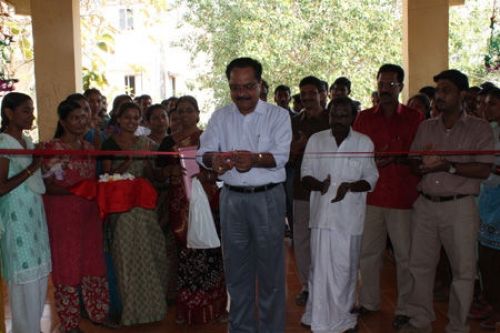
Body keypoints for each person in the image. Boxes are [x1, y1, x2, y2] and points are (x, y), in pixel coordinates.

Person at [198, 57, 291, 332]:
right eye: (235, 87)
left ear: (260, 85)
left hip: (268, 199)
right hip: (232, 200)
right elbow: (204, 153)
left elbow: (282, 156)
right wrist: (213, 160)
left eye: (248, 86)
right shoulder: (220, 116)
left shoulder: (278, 115)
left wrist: (255, 159)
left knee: (271, 275)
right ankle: (241, 329)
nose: (241, 94)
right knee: (237, 273)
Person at [401, 70, 495, 333]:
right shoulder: (426, 126)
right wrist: (420, 165)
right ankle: (420, 321)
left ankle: (457, 326)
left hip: (460, 206)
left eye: (446, 90)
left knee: (463, 271)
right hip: (426, 205)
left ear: (462, 95)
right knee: (419, 266)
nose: (439, 96)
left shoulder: (479, 128)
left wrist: (448, 165)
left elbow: (484, 169)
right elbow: (413, 160)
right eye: (438, 91)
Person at [353, 64, 424, 329]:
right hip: (372, 196)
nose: (384, 89)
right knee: (368, 254)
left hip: (403, 198)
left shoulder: (415, 118)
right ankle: (369, 302)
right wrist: (374, 160)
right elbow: (357, 155)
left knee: (405, 256)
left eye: (390, 85)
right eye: (381, 84)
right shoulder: (364, 118)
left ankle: (405, 307)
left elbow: (420, 155)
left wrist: (397, 157)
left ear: (400, 87)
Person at [300, 96, 379, 333]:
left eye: (344, 116)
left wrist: (351, 186)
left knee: (345, 270)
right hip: (322, 217)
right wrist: (319, 185)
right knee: (319, 269)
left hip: (349, 219)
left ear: (352, 117)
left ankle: (343, 320)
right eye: (335, 115)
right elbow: (305, 175)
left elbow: (371, 178)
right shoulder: (316, 140)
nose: (339, 120)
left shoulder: (364, 143)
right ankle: (316, 317)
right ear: (329, 115)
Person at [158, 95, 227, 324]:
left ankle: (215, 308)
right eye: (181, 111)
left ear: (198, 114)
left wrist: (204, 174)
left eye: (190, 110)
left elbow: (218, 169)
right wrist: (171, 173)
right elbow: (157, 172)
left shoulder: (206, 138)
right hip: (179, 202)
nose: (185, 115)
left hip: (205, 200)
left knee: (209, 251)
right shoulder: (168, 143)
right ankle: (187, 309)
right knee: (185, 253)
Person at [42, 100, 110, 332]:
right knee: (67, 266)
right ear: (63, 121)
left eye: (85, 117)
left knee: (92, 261)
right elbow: (48, 186)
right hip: (63, 216)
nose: (81, 123)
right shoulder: (53, 148)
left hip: (89, 215)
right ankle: (69, 324)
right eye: (75, 118)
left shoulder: (90, 149)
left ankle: (97, 314)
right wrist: (80, 189)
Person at [101, 102, 167, 325]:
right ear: (118, 119)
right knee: (126, 259)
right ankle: (130, 312)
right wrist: (128, 161)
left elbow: (153, 174)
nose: (131, 121)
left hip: (144, 206)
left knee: (151, 254)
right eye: (127, 117)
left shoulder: (147, 144)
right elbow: (106, 177)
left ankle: (153, 311)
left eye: (135, 117)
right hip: (122, 209)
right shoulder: (109, 143)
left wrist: (154, 168)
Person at [0, 92, 51, 333]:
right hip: (16, 219)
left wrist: (42, 164)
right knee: (24, 280)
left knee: (39, 279)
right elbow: (1, 188)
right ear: (9, 114)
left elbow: (36, 176)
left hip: (35, 219)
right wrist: (33, 166)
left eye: (32, 110)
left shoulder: (28, 143)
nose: (32, 115)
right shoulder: (3, 143)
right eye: (26, 110)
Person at [290, 75, 330, 307]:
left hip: (328, 191)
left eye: (311, 93)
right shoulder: (295, 122)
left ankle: (324, 284)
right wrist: (299, 146)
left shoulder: (333, 121)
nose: (307, 98)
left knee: (324, 239)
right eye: (303, 94)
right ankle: (306, 286)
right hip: (301, 189)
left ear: (323, 94)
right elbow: (287, 157)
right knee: (302, 241)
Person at [476, 87, 500, 330]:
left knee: (495, 261)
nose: (485, 108)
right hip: (486, 200)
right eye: (483, 104)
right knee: (486, 260)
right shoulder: (487, 131)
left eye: (492, 104)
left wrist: (486, 169)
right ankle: (492, 303)